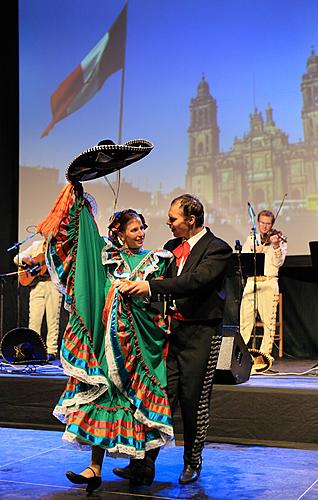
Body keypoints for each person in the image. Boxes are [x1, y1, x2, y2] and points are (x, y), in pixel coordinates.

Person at [36, 182, 174, 494]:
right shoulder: (105, 256)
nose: (140, 233)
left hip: (140, 344)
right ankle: (94, 468)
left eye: (142, 228)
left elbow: (164, 297)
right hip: (109, 343)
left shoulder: (157, 259)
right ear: (120, 232)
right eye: (135, 229)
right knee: (103, 395)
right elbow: (82, 243)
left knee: (133, 401)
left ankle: (140, 465)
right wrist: (79, 202)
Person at [114, 194, 233, 485]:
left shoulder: (217, 249)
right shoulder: (170, 248)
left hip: (200, 334)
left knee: (193, 399)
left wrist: (149, 287)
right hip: (170, 333)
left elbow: (192, 282)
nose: (167, 223)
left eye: (173, 218)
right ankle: (143, 463)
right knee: (160, 396)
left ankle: (192, 461)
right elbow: (153, 274)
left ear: (191, 221)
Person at [239, 209, 287, 364]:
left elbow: (279, 263)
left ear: (272, 224)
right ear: (258, 223)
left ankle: (264, 358)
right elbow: (244, 262)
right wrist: (255, 253)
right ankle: (242, 356)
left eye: (268, 223)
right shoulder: (251, 240)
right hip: (252, 282)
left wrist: (275, 246)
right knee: (245, 321)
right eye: (262, 223)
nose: (265, 227)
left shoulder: (279, 240)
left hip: (268, 282)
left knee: (268, 323)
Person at [14, 238, 62, 361]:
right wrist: (27, 259)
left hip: (52, 284)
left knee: (52, 319)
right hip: (37, 285)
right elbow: (17, 257)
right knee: (34, 319)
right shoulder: (36, 245)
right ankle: (33, 349)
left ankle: (51, 350)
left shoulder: (58, 247)